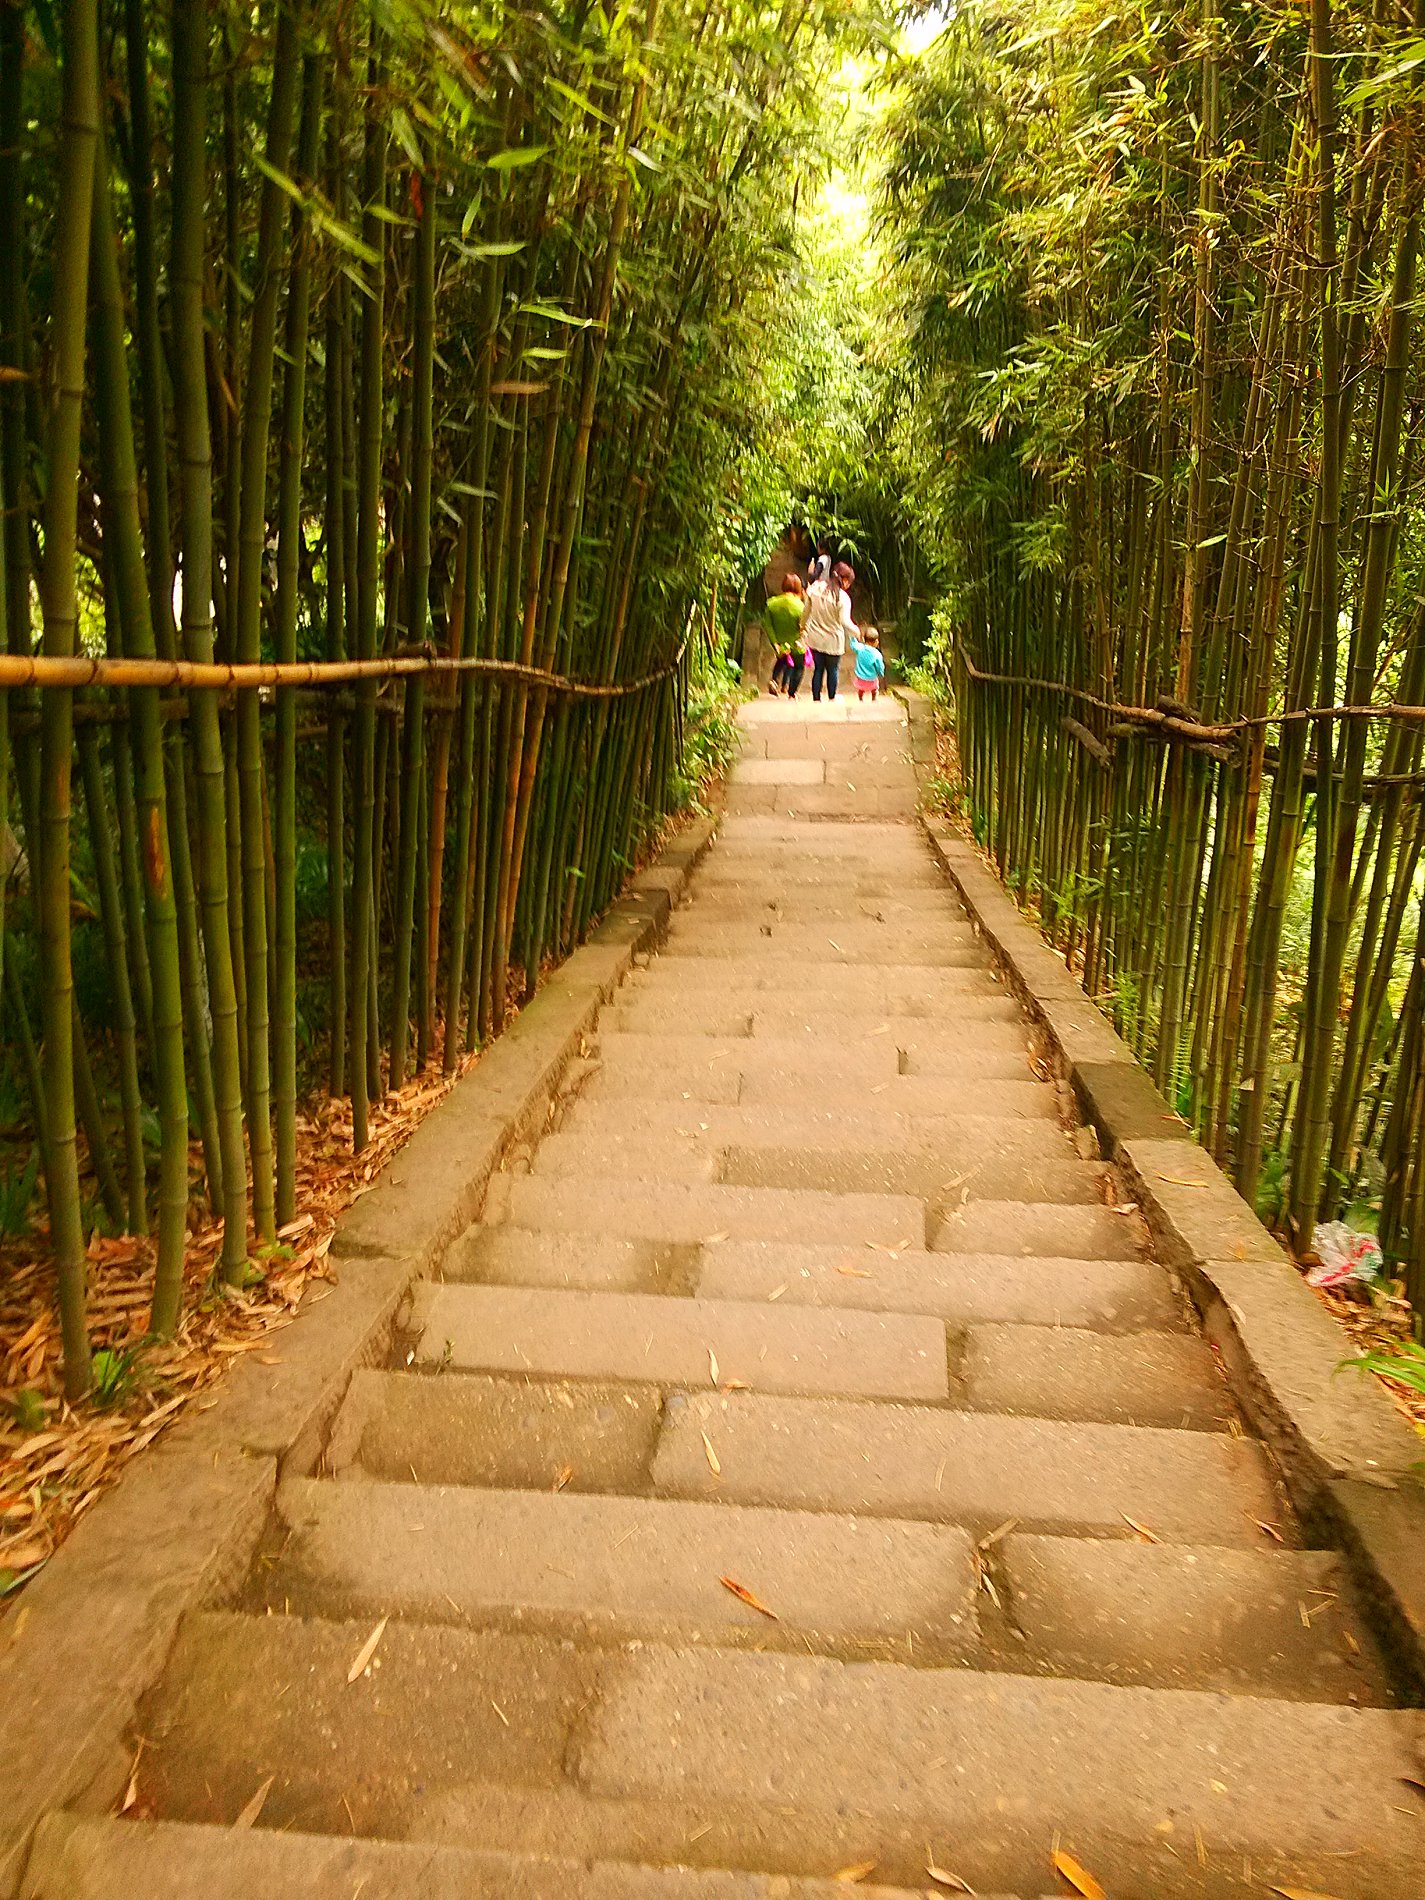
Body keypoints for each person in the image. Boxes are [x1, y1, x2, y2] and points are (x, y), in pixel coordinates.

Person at [801, 560, 856, 702]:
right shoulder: (842, 597)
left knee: (818, 669)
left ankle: (816, 698)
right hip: (833, 640)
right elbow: (844, 621)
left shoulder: (816, 588)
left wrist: (802, 626)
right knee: (833, 669)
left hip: (815, 638)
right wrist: (857, 631)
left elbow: (806, 611)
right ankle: (832, 698)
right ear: (844, 580)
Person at [764, 574, 806, 696]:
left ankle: (774, 680)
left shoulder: (771, 603)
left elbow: (768, 625)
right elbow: (803, 626)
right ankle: (792, 692)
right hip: (795, 642)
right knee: (799, 666)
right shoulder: (800, 606)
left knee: (782, 660)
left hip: (780, 641)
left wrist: (774, 642)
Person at [849, 626, 885, 701]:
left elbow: (853, 645)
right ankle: (874, 698)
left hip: (860, 678)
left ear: (863, 639)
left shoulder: (860, 648)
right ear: (876, 641)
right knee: (875, 689)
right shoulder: (877, 654)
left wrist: (853, 637)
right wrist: (881, 673)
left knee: (861, 690)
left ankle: (860, 698)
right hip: (872, 679)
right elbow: (880, 666)